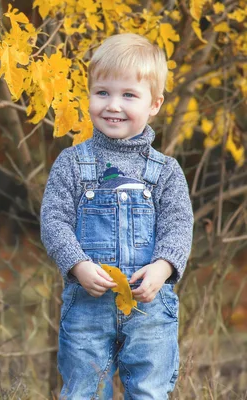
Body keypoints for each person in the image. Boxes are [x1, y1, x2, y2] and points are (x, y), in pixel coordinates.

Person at [40, 33, 193, 399]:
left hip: (149, 306)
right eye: (103, 92)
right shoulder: (73, 164)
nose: (113, 105)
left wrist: (163, 268)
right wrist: (76, 264)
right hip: (88, 306)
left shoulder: (165, 171)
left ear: (154, 104)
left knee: (149, 391)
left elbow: (178, 226)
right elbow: (54, 221)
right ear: (89, 94)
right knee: (83, 391)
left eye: (129, 95)